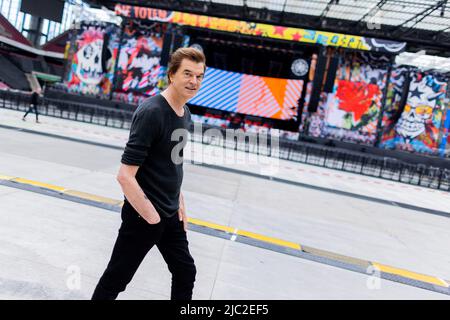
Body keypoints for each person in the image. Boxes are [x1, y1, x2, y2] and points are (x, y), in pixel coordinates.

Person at [92, 47, 206, 300]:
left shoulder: (185, 113)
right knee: (116, 278)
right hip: (145, 216)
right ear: (172, 75)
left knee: (186, 271)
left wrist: (181, 205)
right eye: (187, 74)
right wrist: (152, 219)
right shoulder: (152, 112)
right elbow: (125, 175)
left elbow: (174, 164)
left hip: (171, 213)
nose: (193, 81)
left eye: (199, 76)